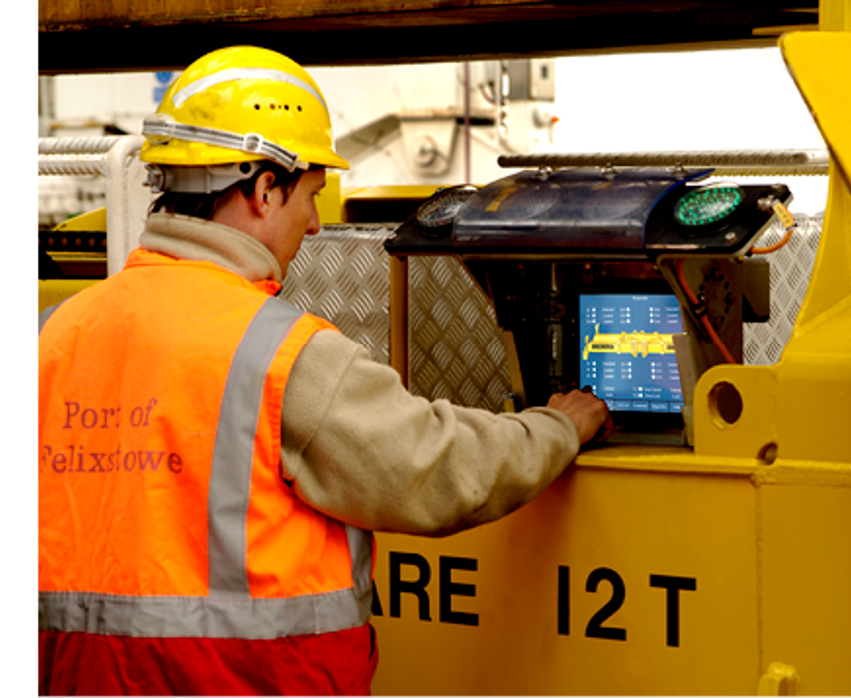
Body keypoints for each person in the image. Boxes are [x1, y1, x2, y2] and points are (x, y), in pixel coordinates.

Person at [35, 46, 610, 698]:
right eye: (309, 195)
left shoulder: (56, 334)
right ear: (263, 190)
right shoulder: (276, 352)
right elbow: (439, 469)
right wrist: (557, 427)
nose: (313, 225)